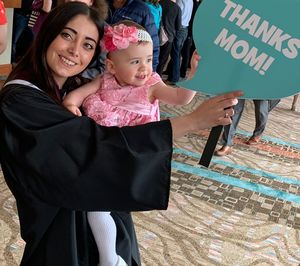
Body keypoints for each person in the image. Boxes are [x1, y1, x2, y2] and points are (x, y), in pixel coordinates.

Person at [0, 2, 242, 265]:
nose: (74, 50)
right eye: (67, 35)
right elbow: (94, 147)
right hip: (64, 235)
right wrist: (192, 122)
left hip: (102, 209)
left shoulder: (72, 86)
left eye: (88, 45)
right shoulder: (19, 101)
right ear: (48, 34)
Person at [62, 20, 199, 265]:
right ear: (112, 66)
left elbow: (181, 98)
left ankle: (109, 258)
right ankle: (110, 259)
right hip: (105, 154)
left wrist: (194, 75)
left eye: (148, 59)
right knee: (96, 206)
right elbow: (75, 96)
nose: (144, 68)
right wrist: (72, 107)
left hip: (134, 158)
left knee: (98, 204)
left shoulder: (151, 85)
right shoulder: (104, 81)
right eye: (135, 61)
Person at [106, 0, 160, 71]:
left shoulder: (142, 10)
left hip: (129, 69)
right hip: (102, 66)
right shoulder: (101, 4)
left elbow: (153, 45)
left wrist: (151, 73)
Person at [164, 0, 193, 85]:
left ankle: (173, 78)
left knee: (175, 54)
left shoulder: (180, 2)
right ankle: (170, 71)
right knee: (177, 53)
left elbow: (176, 16)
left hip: (179, 29)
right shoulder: (190, 1)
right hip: (185, 29)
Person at [156, 0, 182, 76]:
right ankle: (158, 78)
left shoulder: (158, 4)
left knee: (153, 58)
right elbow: (178, 27)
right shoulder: (177, 8)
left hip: (156, 35)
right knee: (163, 59)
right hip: (169, 38)